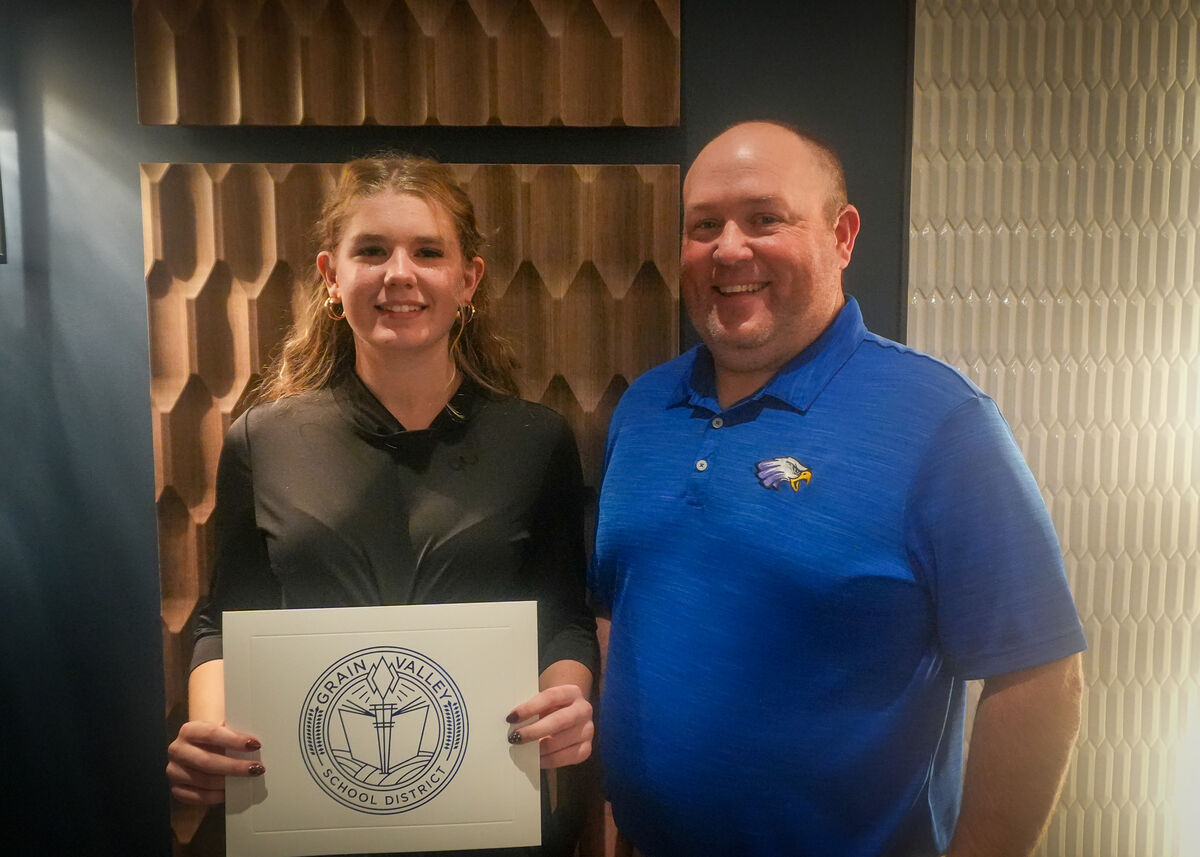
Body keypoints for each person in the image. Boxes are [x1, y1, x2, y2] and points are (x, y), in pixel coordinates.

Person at [589, 121, 1086, 857]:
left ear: (842, 235)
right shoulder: (643, 408)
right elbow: (617, 618)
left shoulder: (943, 423)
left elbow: (1042, 677)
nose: (729, 249)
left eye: (764, 219)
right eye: (704, 226)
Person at [166, 155, 600, 856]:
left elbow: (564, 618)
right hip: (309, 820)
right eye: (372, 250)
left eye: (428, 251)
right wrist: (216, 735)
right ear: (331, 276)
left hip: (489, 819)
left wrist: (568, 700)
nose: (400, 272)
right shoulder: (262, 440)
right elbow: (226, 617)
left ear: (469, 280)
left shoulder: (537, 439)